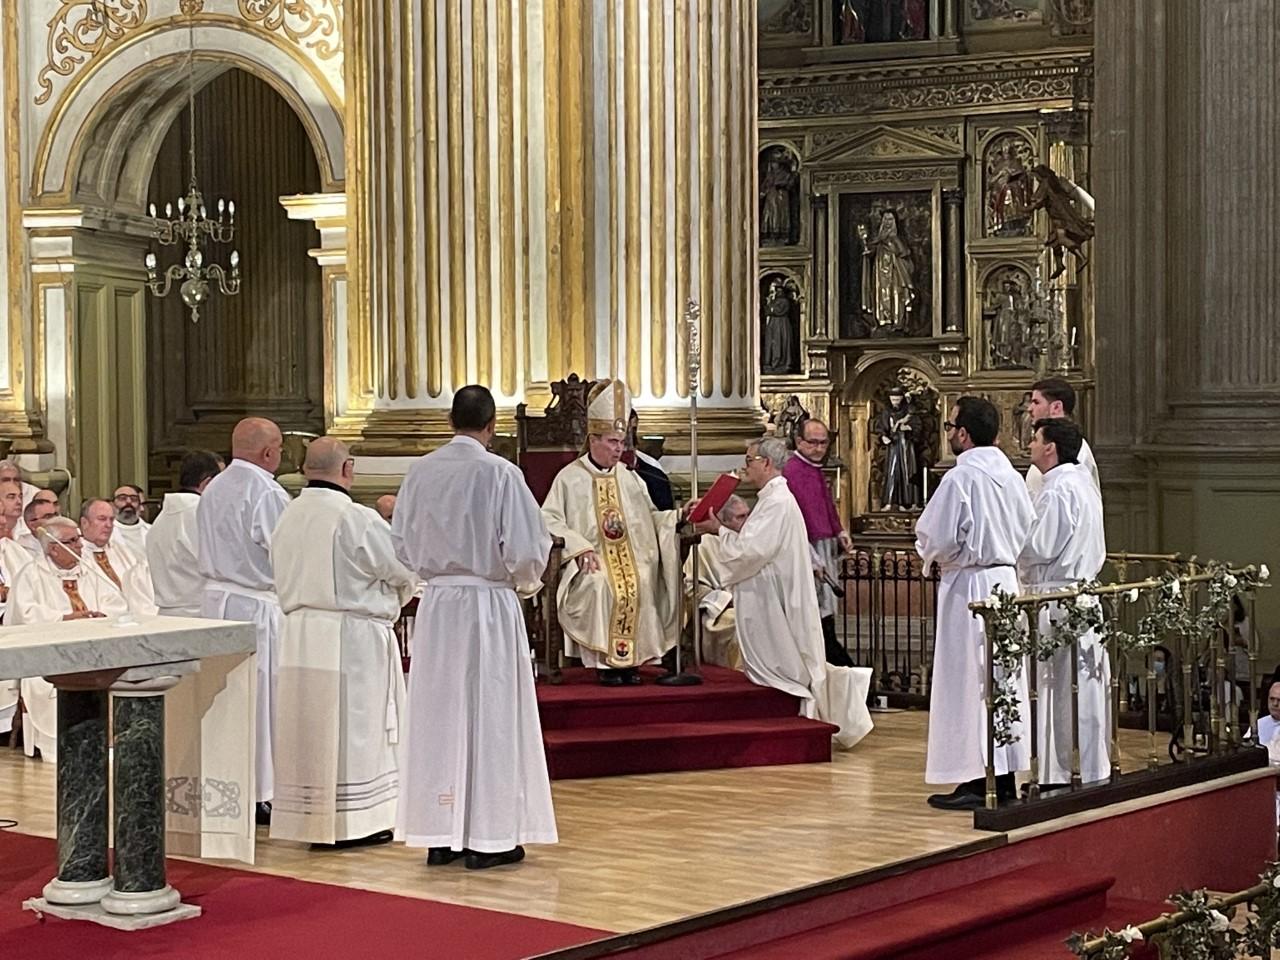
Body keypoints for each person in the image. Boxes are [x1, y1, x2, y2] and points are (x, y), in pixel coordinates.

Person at [393, 385, 556, 870]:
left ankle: (440, 834)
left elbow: (400, 543)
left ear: (450, 420)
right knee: (492, 715)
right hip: (487, 603)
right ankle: (489, 836)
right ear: (491, 426)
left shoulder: (419, 473)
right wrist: (524, 586)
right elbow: (528, 549)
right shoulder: (500, 473)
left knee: (439, 715)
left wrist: (434, 575)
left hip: (441, 605)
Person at [270, 438, 417, 849]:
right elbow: (402, 569)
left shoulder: (288, 515)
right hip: (352, 636)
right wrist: (394, 598)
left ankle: (312, 819)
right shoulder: (355, 518)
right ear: (348, 469)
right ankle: (357, 821)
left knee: (311, 728)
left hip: (300, 634)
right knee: (358, 727)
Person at [692, 438, 874, 748]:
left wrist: (717, 530)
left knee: (789, 661)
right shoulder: (771, 498)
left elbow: (750, 551)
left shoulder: (777, 501)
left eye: (750, 459)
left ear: (766, 463)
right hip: (772, 592)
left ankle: (796, 710)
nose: (746, 465)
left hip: (775, 597)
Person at [915, 396, 1035, 810]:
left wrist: (928, 553)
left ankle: (973, 780)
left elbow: (939, 535)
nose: (949, 434)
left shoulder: (960, 478)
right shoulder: (1012, 475)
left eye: (950, 428)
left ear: (963, 434)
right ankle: (1002, 776)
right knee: (1002, 681)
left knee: (968, 682)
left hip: (970, 586)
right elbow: (1026, 527)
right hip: (1005, 580)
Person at [541, 379, 681, 686]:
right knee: (599, 582)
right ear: (593, 439)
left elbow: (653, 519)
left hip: (632, 556)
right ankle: (606, 665)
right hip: (591, 558)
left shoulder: (631, 479)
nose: (620, 449)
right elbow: (548, 520)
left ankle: (630, 663)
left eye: (622, 442)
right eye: (612, 442)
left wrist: (680, 518)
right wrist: (579, 548)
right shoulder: (569, 478)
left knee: (643, 577)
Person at [197, 417, 291, 819]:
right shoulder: (266, 491)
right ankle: (261, 792)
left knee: (225, 700)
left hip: (216, 604)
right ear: (268, 452)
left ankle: (225, 783)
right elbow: (284, 552)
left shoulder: (213, 488)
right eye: (281, 449)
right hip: (255, 607)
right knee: (262, 699)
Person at [1018, 418, 1108, 788]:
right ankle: (1092, 767)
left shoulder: (1057, 490)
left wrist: (1014, 543)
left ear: (1051, 446)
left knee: (1054, 685)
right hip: (1083, 593)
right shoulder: (1082, 482)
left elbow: (1041, 546)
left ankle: (1054, 771)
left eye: (1035, 440)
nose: (1030, 446)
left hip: (1056, 595)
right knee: (1087, 685)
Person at [8, 517, 130, 761]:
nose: (80, 546)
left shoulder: (91, 570)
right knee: (47, 685)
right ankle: (61, 747)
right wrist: (66, 618)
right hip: (48, 657)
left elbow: (116, 603)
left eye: (78, 539)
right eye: (71, 541)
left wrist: (99, 617)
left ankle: (106, 741)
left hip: (96, 652)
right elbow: (25, 616)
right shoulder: (31, 574)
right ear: (53, 547)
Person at [783, 419, 856, 667]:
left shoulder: (812, 468)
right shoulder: (792, 470)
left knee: (826, 611)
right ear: (799, 441)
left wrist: (839, 531)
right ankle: (847, 673)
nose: (819, 448)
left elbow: (826, 505)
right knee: (820, 615)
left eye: (824, 443)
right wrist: (812, 556)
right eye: (813, 442)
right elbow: (797, 518)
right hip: (809, 547)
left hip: (823, 544)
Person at [147, 451, 223, 617]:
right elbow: (221, 566)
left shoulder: (160, 519)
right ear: (208, 483)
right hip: (200, 613)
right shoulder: (201, 514)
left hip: (167, 613)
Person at [685, 495, 749, 670]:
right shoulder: (704, 544)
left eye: (747, 515)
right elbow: (691, 588)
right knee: (743, 624)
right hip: (719, 612)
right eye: (740, 517)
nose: (747, 522)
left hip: (750, 604)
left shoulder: (749, 542)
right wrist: (726, 600)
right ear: (723, 520)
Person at [1024, 378, 1100, 499]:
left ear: (1056, 407)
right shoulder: (1049, 441)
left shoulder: (1073, 448)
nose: (1029, 409)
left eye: (1036, 402)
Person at [79, 497, 144, 590]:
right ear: (84, 523)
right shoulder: (75, 554)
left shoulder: (122, 551)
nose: (109, 525)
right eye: (102, 519)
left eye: (111, 520)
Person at [111, 483, 151, 552]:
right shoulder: (103, 531)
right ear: (112, 504)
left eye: (134, 499)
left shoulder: (151, 531)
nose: (129, 502)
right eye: (122, 498)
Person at [18, 491, 59, 557]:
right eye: (48, 517)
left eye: (55, 515)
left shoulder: (69, 542)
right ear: (32, 525)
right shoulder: (20, 550)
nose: (55, 520)